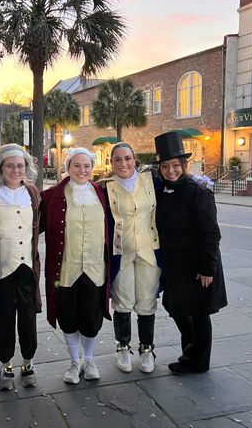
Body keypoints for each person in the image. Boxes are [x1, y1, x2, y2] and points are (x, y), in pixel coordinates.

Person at [154, 131, 227, 375]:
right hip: (174, 267)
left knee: (198, 313)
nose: (171, 171)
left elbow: (210, 234)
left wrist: (207, 268)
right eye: (165, 166)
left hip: (197, 266)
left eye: (176, 165)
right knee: (176, 308)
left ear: (184, 166)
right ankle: (190, 352)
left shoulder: (199, 192)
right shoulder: (160, 192)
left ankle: (197, 361)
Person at [40, 147, 111, 384]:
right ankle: (74, 361)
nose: (82, 170)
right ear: (68, 167)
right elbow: (30, 223)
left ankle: (88, 359)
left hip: (95, 268)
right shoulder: (52, 196)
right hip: (65, 270)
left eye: (87, 165)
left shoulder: (102, 193)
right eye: (77, 165)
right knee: (68, 316)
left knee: (91, 318)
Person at [0, 144, 42, 391]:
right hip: (1, 269)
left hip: (26, 267)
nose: (15, 170)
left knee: (28, 317)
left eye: (20, 165)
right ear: (0, 168)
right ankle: (5, 363)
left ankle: (28, 362)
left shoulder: (33, 193)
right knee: (2, 317)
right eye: (10, 165)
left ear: (26, 167)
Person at [101, 142, 161, 373]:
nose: (123, 163)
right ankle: (123, 347)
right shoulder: (105, 187)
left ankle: (146, 349)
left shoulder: (151, 181)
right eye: (117, 159)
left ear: (134, 159)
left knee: (147, 302)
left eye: (127, 158)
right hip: (121, 253)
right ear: (112, 163)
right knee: (123, 302)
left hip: (149, 250)